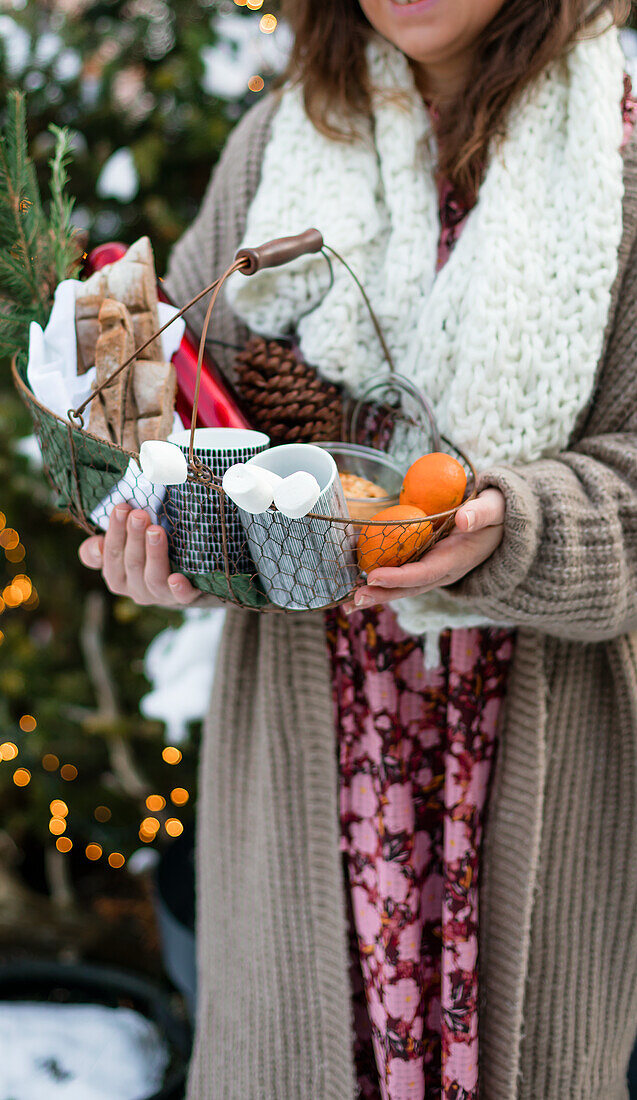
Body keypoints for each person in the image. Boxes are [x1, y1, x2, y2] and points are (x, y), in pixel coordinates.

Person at [78, 1, 637, 1096]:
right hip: (309, 740)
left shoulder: (620, 153)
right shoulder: (280, 143)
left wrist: (507, 527)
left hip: (524, 738)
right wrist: (166, 541)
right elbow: (182, 418)